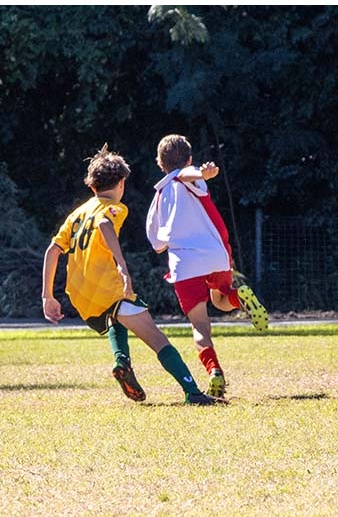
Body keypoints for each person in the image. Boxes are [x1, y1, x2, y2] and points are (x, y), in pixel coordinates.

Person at [41, 144, 220, 405]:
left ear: (92, 186)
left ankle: (121, 362)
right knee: (157, 338)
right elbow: (104, 225)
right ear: (122, 183)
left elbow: (52, 250)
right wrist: (123, 269)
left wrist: (48, 296)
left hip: (80, 294)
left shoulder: (77, 214)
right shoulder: (115, 208)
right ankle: (192, 392)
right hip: (108, 287)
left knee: (116, 319)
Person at [146, 134, 268, 398]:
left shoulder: (159, 198)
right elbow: (189, 174)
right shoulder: (194, 180)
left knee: (200, 327)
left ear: (159, 164)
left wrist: (199, 174)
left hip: (184, 264)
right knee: (222, 300)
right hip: (215, 255)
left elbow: (157, 244)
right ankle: (240, 297)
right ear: (190, 157)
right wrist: (204, 173)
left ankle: (214, 371)